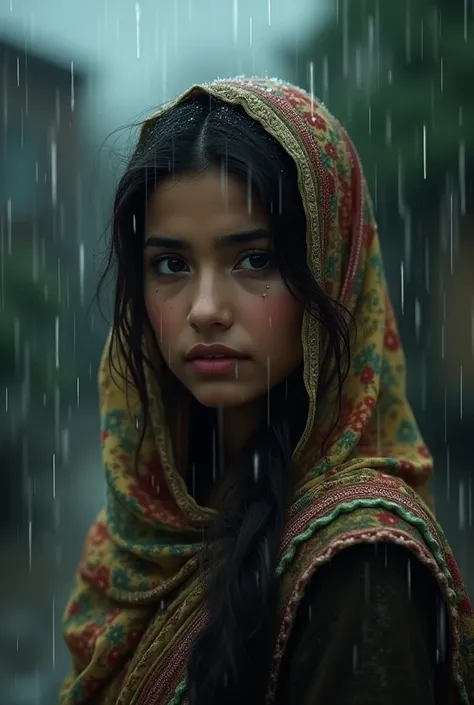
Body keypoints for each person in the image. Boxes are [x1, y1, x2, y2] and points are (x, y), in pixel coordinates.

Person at [60, 78, 474, 705]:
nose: (204, 309)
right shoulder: (146, 529)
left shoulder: (363, 568)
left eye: (254, 259)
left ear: (331, 272)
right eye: (169, 265)